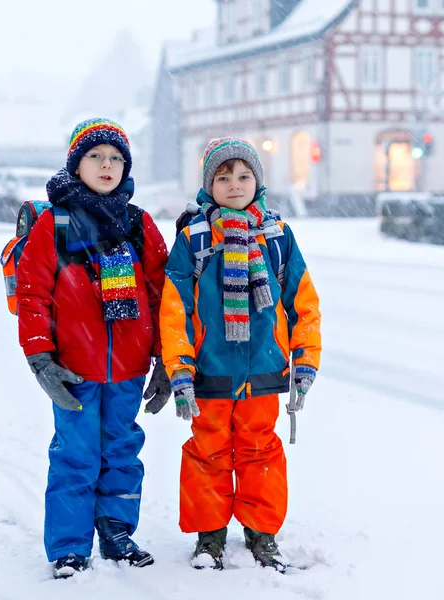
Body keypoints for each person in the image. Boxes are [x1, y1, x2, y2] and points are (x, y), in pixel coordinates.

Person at [15, 118, 170, 579]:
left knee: (121, 450)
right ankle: (69, 546)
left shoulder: (139, 223)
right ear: (75, 164)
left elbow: (165, 294)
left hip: (128, 367)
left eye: (116, 159)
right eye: (96, 157)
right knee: (76, 454)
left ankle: (117, 532)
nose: (107, 166)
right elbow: (33, 293)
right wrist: (41, 358)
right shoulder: (54, 222)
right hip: (73, 369)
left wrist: (167, 360)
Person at [160, 137, 321, 572]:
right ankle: (209, 535)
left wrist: (304, 359)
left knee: (260, 451)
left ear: (258, 181)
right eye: (223, 176)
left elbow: (302, 302)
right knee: (208, 450)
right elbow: (176, 309)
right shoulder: (193, 239)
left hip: (264, 368)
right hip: (209, 372)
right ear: (208, 184)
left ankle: (261, 531)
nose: (234, 184)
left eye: (244, 175)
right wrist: (179, 369)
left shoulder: (277, 236)